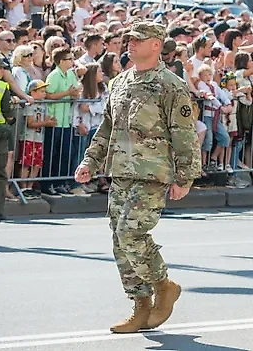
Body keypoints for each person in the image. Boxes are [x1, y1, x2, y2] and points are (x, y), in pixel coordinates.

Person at [75, 21, 200, 333]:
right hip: (120, 170)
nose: (130, 44)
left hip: (152, 173)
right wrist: (90, 160)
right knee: (119, 240)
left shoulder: (169, 84)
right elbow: (107, 127)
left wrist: (185, 176)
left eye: (138, 40)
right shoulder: (120, 82)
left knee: (131, 233)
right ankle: (140, 306)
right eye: (128, 39)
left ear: (156, 45)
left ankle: (164, 286)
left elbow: (184, 134)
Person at [0, 58, 13, 222]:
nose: (3, 72)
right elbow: (9, 114)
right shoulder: (2, 87)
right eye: (1, 69)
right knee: (0, 175)